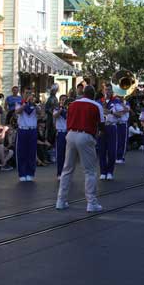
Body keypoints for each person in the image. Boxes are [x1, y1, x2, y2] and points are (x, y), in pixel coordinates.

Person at [56, 85, 105, 213]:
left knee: (67, 169)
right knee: (90, 171)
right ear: (93, 94)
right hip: (85, 135)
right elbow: (101, 125)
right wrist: (98, 133)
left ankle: (60, 200)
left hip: (71, 134)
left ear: (83, 93)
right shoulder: (96, 106)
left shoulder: (72, 104)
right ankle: (91, 203)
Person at [15, 89, 41, 182]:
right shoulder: (19, 103)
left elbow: (40, 113)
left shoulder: (35, 104)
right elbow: (18, 111)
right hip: (23, 130)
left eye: (30, 93)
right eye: (27, 93)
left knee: (31, 152)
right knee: (22, 152)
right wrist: (25, 103)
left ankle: (30, 173)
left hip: (32, 130)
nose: (29, 95)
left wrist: (34, 105)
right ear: (22, 94)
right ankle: (22, 173)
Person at [99, 84, 124, 180]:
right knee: (101, 151)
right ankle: (103, 171)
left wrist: (111, 112)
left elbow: (121, 114)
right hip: (102, 127)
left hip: (112, 127)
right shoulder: (99, 101)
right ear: (103, 91)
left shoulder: (116, 101)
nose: (107, 92)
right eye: (106, 90)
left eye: (109, 90)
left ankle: (110, 172)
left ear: (112, 91)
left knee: (112, 151)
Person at [53, 94, 68, 179]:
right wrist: (61, 109)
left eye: (65, 100)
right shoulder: (57, 109)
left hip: (68, 132)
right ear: (60, 101)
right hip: (61, 132)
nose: (63, 101)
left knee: (68, 155)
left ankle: (67, 173)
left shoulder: (70, 109)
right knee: (60, 154)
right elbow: (55, 116)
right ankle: (59, 173)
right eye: (62, 99)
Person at [115, 96, 130, 164]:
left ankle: (121, 157)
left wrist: (122, 104)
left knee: (123, 141)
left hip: (124, 123)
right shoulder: (115, 102)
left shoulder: (126, 102)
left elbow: (127, 109)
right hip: (116, 123)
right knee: (116, 140)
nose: (120, 97)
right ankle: (116, 156)